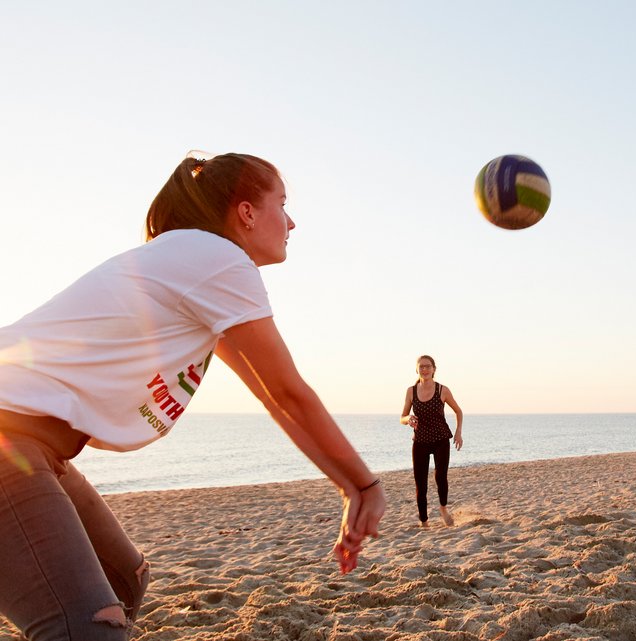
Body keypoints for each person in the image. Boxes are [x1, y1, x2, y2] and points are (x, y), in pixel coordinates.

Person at [0, 152, 385, 640]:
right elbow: (289, 392)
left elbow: (273, 396)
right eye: (282, 204)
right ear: (246, 212)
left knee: (125, 579)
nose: (291, 221)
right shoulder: (218, 259)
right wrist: (365, 487)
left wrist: (350, 486)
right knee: (87, 627)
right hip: (10, 438)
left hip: (34, 445)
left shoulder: (197, 265)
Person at [400, 355, 463, 527]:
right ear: (417, 369)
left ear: (434, 369)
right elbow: (402, 417)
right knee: (420, 483)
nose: (425, 369)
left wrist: (458, 433)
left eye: (428, 366)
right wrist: (408, 419)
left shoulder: (442, 390)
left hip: (441, 439)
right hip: (420, 441)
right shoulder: (410, 391)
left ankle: (443, 508)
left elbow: (458, 411)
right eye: (421, 367)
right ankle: (424, 521)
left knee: (440, 477)